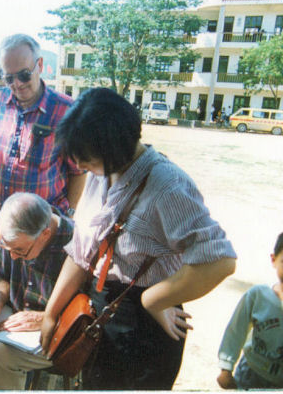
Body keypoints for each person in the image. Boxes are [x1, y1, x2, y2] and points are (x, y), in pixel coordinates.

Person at [39, 88, 237, 390]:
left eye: (87, 159)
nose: (79, 168)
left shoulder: (167, 186)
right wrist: (51, 314)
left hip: (145, 329)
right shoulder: (99, 174)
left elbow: (220, 260)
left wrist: (155, 300)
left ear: (115, 147)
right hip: (102, 310)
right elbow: (81, 253)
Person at [0, 33, 85, 304]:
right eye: (8, 78)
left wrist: (66, 213)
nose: (16, 84)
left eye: (23, 75)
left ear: (40, 65)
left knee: (28, 317)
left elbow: (78, 173)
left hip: (37, 240)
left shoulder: (66, 110)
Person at [0, 192, 74, 390]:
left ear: (45, 234)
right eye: (6, 247)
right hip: (16, 317)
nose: (13, 256)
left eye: (20, 251)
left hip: (57, 330)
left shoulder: (76, 242)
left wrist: (46, 317)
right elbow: (3, 274)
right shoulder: (16, 234)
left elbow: (88, 307)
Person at [216, 232, 283, 390]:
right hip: (251, 373)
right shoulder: (258, 296)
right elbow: (236, 330)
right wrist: (226, 367)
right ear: (273, 260)